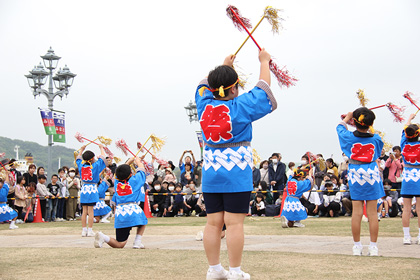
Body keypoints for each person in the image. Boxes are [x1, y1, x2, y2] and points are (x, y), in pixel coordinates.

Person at [195, 49, 276, 280]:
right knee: (234, 224)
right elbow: (263, 88)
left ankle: (214, 270)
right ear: (234, 88)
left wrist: (225, 65)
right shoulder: (240, 107)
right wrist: (264, 61)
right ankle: (235, 272)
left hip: (211, 173)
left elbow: (203, 86)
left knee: (212, 224)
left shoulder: (203, 105)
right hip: (236, 172)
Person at [338, 108, 384, 256]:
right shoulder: (376, 138)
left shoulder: (349, 137)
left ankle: (357, 246)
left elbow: (339, 127)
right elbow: (377, 146)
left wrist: (348, 118)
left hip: (355, 173)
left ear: (355, 122)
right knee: (372, 214)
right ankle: (373, 246)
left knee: (357, 213)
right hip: (371, 172)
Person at [94, 156, 148, 249]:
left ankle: (104, 237)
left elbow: (119, 172)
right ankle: (137, 242)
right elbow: (141, 170)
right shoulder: (134, 181)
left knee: (120, 244)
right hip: (133, 209)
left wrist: (128, 162)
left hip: (120, 212)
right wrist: (138, 161)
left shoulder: (117, 182)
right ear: (130, 174)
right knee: (142, 222)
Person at [76, 144, 107, 237]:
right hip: (92, 189)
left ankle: (83, 230)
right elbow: (103, 158)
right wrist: (101, 148)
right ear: (93, 158)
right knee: (91, 211)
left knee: (84, 211)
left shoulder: (81, 166)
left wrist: (81, 149)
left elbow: (78, 158)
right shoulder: (95, 165)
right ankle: (89, 230)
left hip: (84, 189)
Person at [399, 113, 420, 245]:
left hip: (407, 176)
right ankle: (419, 235)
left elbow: (404, 130)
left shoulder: (404, 144)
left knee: (406, 208)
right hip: (419, 175)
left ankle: (406, 236)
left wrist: (409, 118)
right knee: (419, 208)